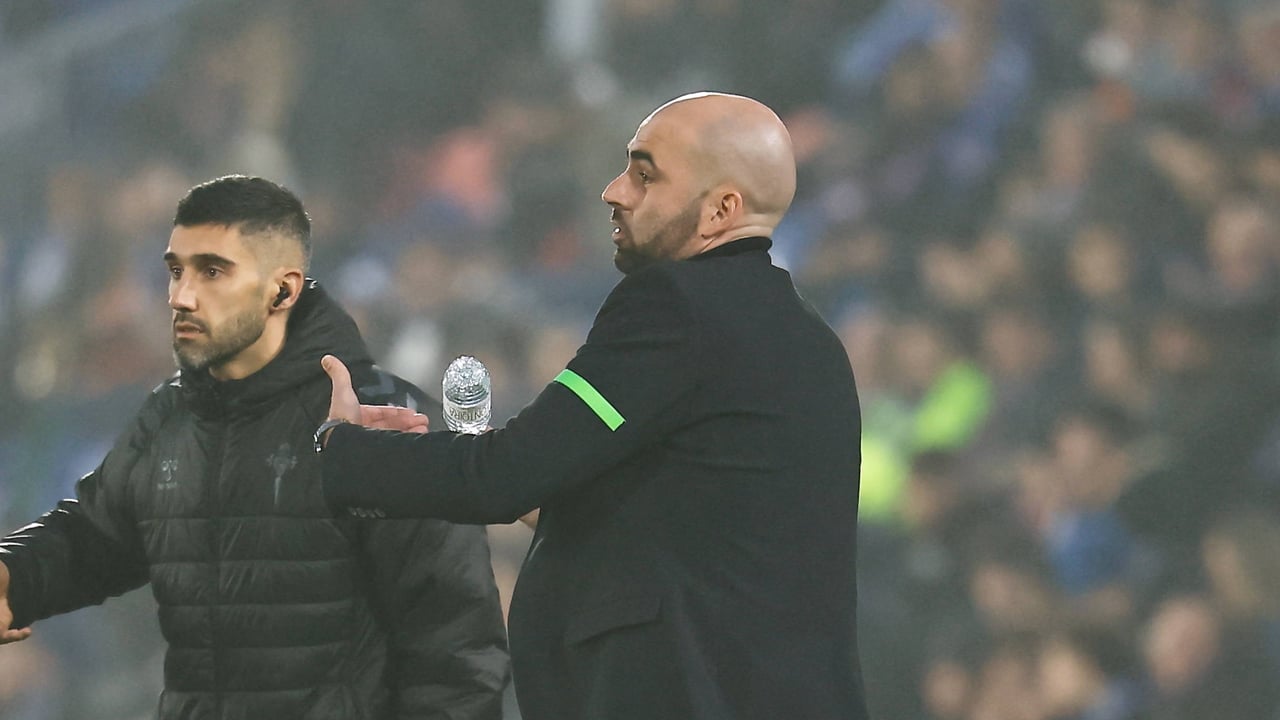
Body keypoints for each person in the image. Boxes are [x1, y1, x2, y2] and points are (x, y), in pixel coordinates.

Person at [318, 93, 869, 720]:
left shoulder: (676, 308)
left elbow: (503, 476)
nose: (613, 190)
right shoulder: (812, 343)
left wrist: (346, 451)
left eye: (644, 174)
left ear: (722, 209)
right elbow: (670, 528)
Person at [0, 175, 509, 719]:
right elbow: (94, 536)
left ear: (282, 289)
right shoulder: (170, 417)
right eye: (176, 271)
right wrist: (14, 575)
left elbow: (455, 652)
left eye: (212, 271)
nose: (181, 296)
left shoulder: (383, 418)